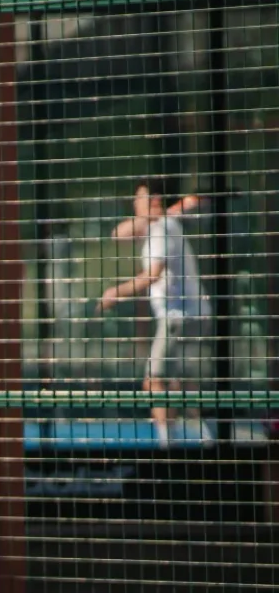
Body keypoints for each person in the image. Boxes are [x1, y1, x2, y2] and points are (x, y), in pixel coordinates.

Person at [98, 180, 210, 446]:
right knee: (179, 383)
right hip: (189, 315)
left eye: (140, 199)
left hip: (178, 317)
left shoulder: (160, 230)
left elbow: (152, 275)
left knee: (154, 381)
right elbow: (118, 234)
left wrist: (116, 292)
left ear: (154, 201)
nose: (135, 204)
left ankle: (167, 445)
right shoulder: (161, 224)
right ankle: (204, 437)